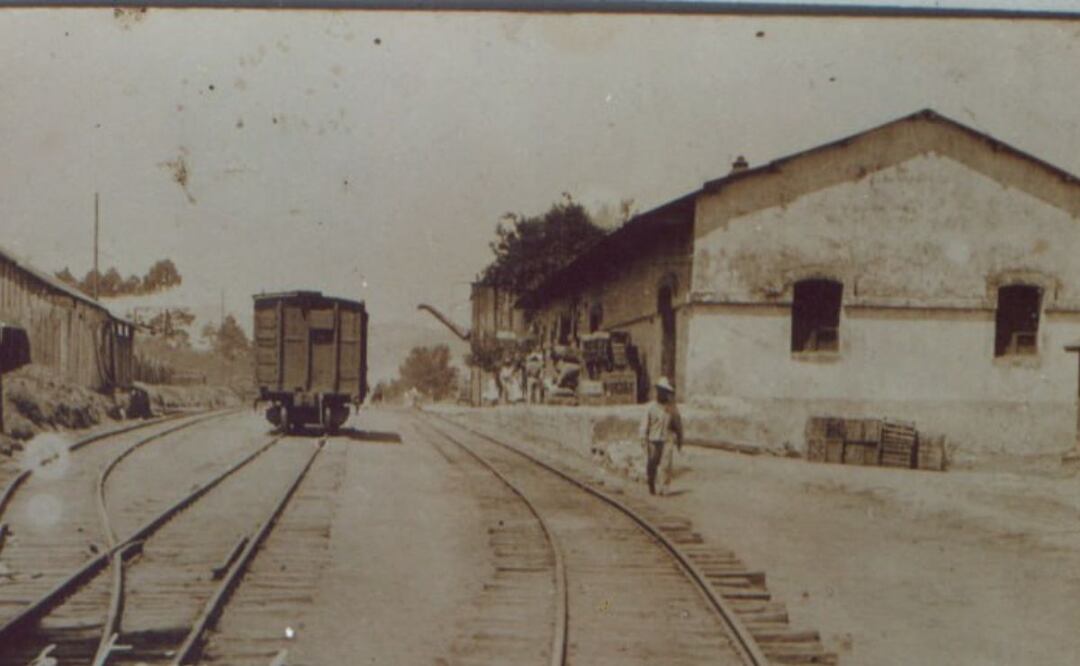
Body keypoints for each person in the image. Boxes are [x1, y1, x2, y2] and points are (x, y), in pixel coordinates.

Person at [638, 377, 683, 496]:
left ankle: (664, 487)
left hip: (667, 439)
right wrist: (643, 438)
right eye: (661, 391)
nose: (662, 394)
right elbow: (644, 425)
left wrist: (679, 439)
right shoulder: (650, 407)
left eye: (665, 391)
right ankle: (651, 482)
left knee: (666, 464)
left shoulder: (672, 408)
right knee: (652, 463)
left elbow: (678, 424)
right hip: (653, 439)